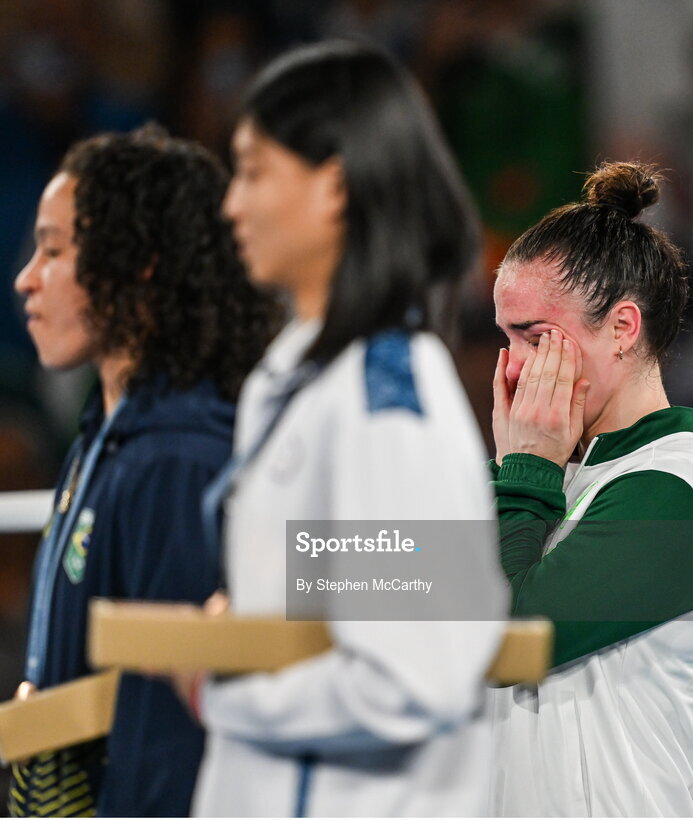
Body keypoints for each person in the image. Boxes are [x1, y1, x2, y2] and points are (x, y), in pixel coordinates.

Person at [189, 40, 508, 817]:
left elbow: (411, 678)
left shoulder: (382, 406)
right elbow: (333, 595)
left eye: (255, 171)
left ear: (334, 183)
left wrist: (224, 691)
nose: (232, 203)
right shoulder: (305, 382)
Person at [9, 124, 279, 817]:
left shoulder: (178, 458)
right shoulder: (108, 435)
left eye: (55, 250)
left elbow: (172, 725)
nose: (26, 280)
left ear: (141, 264)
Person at [487, 161, 693, 816]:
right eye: (503, 338)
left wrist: (521, 473)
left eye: (534, 336)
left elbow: (507, 642)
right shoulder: (544, 476)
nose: (513, 367)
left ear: (623, 329)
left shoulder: (676, 486)